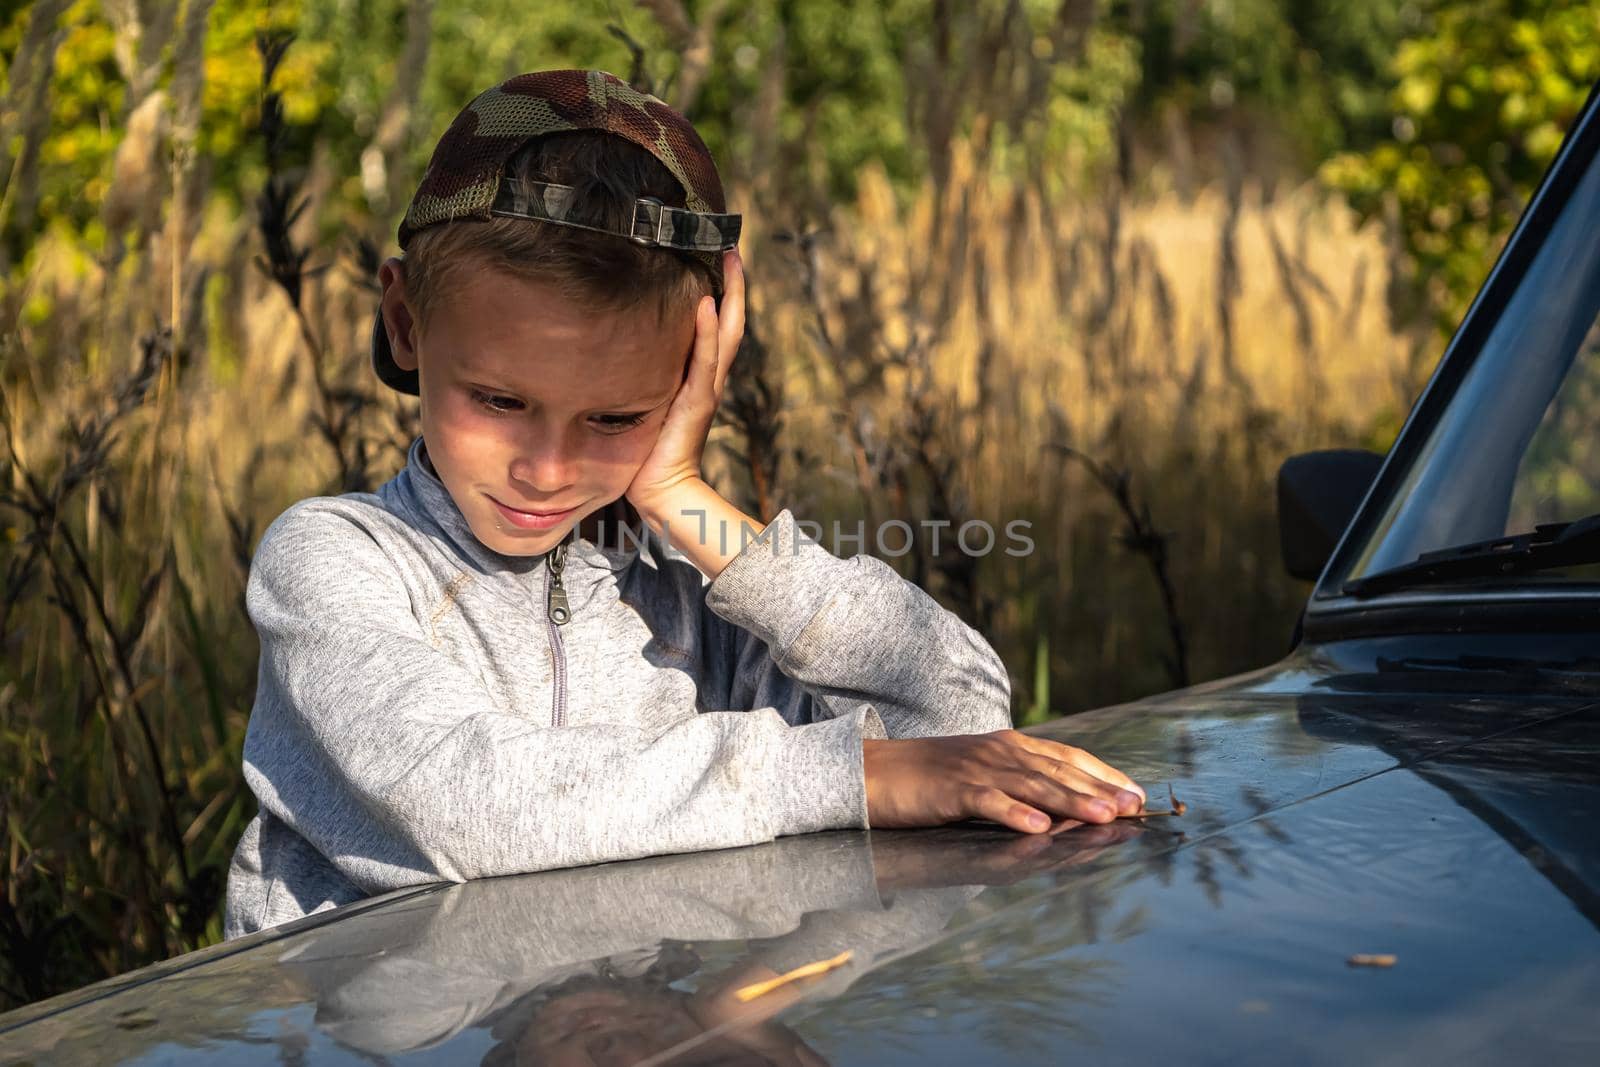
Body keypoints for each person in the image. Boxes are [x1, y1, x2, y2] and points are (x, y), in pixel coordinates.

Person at [222, 69, 1147, 940]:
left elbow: (956, 714)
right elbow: (467, 805)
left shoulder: (689, 596)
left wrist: (678, 495)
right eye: (499, 401)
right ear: (405, 324)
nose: (546, 468)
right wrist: (844, 776)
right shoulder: (333, 560)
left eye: (616, 415)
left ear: (692, 378)